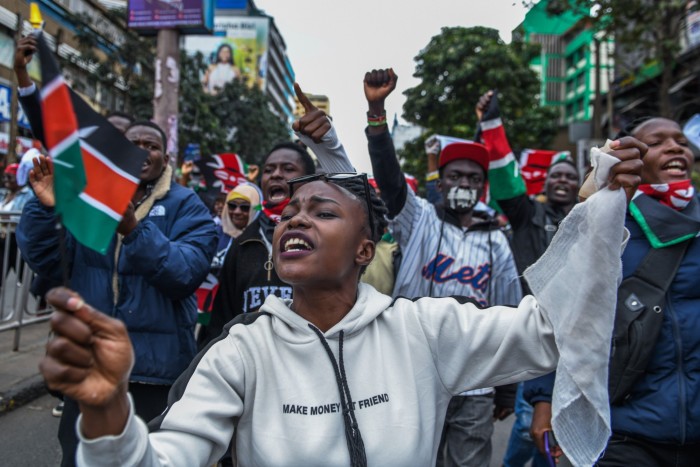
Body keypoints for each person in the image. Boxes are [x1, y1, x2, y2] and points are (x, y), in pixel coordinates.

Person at [39, 139, 642, 465]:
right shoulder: (240, 351)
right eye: (291, 212)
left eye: (323, 212)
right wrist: (110, 415)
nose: (295, 219)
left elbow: (548, 333)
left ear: (364, 250)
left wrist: (596, 214)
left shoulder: (424, 328)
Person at [17, 120, 218, 466]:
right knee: (81, 459)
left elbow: (184, 274)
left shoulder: (188, 205)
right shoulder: (89, 198)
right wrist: (46, 208)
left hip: (154, 375)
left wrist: (134, 230)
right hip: (89, 366)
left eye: (152, 145)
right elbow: (48, 261)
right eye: (134, 143)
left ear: (166, 156)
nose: (142, 150)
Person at [363, 68, 521, 467]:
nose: (464, 183)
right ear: (442, 181)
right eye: (456, 176)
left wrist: (505, 392)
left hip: (474, 383)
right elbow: (391, 180)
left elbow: (508, 316)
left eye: (472, 177)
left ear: (483, 186)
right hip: (411, 376)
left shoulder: (496, 241)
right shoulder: (418, 220)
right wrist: (377, 114)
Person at [525, 116, 700, 467]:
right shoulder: (607, 224)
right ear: (631, 158)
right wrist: (544, 401)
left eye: (680, 141)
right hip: (624, 430)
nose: (675, 147)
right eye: (658, 141)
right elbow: (564, 315)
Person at [198, 83, 354, 348]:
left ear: (308, 177)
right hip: (252, 366)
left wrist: (329, 146)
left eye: (287, 168)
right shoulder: (244, 242)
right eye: (269, 170)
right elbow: (221, 319)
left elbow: (357, 205)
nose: (276, 175)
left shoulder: (327, 234)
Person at [471, 91, 578, 467]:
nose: (563, 180)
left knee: (559, 428)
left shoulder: (589, 222)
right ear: (544, 185)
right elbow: (504, 177)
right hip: (530, 332)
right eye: (556, 176)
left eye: (570, 176)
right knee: (526, 427)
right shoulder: (525, 214)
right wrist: (491, 125)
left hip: (576, 338)